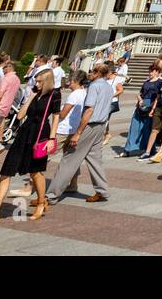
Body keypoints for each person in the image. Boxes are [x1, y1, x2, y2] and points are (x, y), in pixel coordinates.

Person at [0, 68, 59, 233]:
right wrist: (31, 97)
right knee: (6, 172)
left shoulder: (54, 94)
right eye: (36, 81)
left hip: (40, 134)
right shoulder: (35, 93)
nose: (36, 84)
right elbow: (20, 116)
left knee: (36, 172)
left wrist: (52, 139)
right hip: (24, 133)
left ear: (47, 81)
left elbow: (55, 117)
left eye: (40, 81)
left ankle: (41, 202)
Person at [46, 62, 113, 204]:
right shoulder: (108, 87)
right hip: (101, 125)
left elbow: (89, 110)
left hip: (89, 125)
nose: (90, 74)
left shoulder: (94, 86)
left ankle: (51, 195)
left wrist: (78, 133)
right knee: (95, 159)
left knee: (69, 158)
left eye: (92, 71)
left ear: (97, 73)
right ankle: (102, 191)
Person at [126, 65, 162, 157]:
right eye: (149, 71)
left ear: (157, 72)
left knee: (147, 128)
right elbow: (140, 93)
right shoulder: (146, 81)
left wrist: (152, 106)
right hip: (141, 104)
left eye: (151, 71)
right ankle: (129, 148)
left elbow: (159, 96)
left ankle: (149, 148)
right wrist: (139, 99)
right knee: (134, 126)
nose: (149, 73)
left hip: (151, 104)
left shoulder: (160, 82)